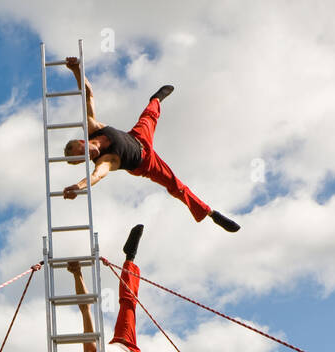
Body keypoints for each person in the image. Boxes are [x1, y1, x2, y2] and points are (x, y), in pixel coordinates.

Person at [59, 57, 239, 232]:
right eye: (82, 160)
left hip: (138, 137)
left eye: (83, 152)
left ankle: (157, 99)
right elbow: (96, 176)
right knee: (176, 186)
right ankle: (210, 212)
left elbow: (88, 95)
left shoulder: (93, 127)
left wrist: (76, 70)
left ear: (83, 141)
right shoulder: (105, 161)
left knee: (149, 114)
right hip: (146, 162)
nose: (88, 157)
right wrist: (78, 187)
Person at [67, 226, 169, 352]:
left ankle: (129, 258)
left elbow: (85, 308)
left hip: (124, 341)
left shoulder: (90, 348)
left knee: (128, 302)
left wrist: (77, 273)